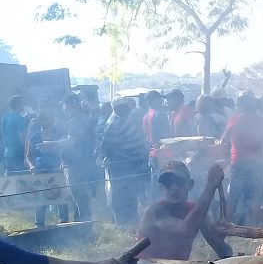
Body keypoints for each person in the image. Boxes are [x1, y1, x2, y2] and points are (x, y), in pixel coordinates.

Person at [138, 161, 233, 261]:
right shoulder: (154, 212)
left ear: (190, 185)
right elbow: (186, 229)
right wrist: (210, 186)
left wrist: (220, 237)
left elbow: (222, 250)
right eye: (168, 184)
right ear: (162, 188)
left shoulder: (196, 213)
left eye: (179, 182)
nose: (174, 188)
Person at [44, 93, 97, 222]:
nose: (63, 108)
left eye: (64, 105)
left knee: (79, 198)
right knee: (80, 198)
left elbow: (72, 141)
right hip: (80, 162)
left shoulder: (74, 120)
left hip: (76, 165)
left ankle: (84, 228)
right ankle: (82, 225)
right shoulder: (83, 117)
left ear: (69, 105)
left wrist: (52, 143)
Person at [100, 97, 148, 226]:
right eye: (124, 107)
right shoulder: (113, 124)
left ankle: (131, 216)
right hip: (120, 165)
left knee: (131, 190)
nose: (127, 109)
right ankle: (120, 221)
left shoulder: (127, 120)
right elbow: (106, 145)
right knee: (119, 192)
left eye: (127, 106)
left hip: (132, 163)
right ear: (117, 109)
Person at [220, 93, 263, 224]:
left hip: (238, 160)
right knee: (255, 195)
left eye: (238, 105)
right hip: (257, 162)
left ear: (243, 106)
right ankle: (255, 226)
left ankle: (226, 223)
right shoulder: (261, 120)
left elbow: (224, 139)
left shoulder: (234, 120)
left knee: (234, 194)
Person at [25, 112, 70, 227]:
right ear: (39, 121)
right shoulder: (34, 137)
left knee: (60, 197)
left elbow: (66, 149)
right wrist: (32, 166)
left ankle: (64, 223)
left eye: (49, 119)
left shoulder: (59, 134)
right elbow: (29, 155)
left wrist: (62, 164)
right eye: (45, 119)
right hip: (40, 171)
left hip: (57, 170)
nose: (48, 121)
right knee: (40, 199)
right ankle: (39, 225)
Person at [142, 89, 174, 163]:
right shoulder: (160, 115)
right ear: (152, 101)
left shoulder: (146, 116)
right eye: (159, 99)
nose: (161, 101)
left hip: (152, 153)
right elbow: (165, 135)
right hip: (162, 153)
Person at [1, 95, 28, 174]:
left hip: (7, 154)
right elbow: (22, 136)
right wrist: (27, 151)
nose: (24, 105)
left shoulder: (4, 118)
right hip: (18, 154)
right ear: (17, 104)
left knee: (12, 179)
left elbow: (4, 134)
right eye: (22, 103)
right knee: (21, 180)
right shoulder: (19, 118)